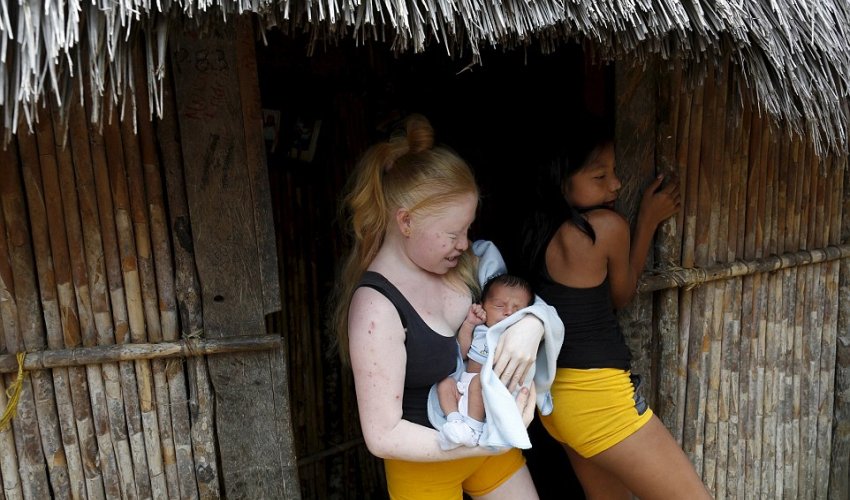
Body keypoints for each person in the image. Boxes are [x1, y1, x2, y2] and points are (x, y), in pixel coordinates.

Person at [331, 113, 545, 499]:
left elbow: (517, 300)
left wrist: (534, 325)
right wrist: (489, 440)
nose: (464, 243)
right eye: (452, 233)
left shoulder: (465, 264)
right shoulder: (375, 307)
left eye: (467, 229)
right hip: (425, 468)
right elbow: (383, 436)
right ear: (406, 221)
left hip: (491, 455)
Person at [520, 119, 712, 499]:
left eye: (614, 173)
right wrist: (647, 221)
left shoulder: (540, 234)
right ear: (563, 184)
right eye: (599, 176)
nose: (616, 185)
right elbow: (620, 295)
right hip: (598, 399)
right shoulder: (605, 226)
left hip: (556, 402)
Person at [436, 274, 535, 448]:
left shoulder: (512, 338)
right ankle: (456, 422)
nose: (509, 312)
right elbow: (463, 353)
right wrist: (469, 325)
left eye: (518, 310)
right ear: (483, 306)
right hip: (464, 387)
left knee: (478, 381)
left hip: (487, 391)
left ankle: (474, 429)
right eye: (499, 305)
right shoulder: (480, 330)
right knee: (445, 383)